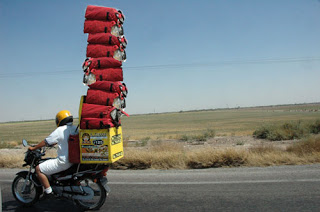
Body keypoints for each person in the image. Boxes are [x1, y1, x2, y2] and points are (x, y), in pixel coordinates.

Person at [28, 110, 78, 197]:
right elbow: (65, 140)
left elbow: (46, 141)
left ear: (60, 120)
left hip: (63, 162)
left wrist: (34, 148)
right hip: (73, 160)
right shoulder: (74, 129)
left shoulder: (59, 130)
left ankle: (48, 192)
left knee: (38, 169)